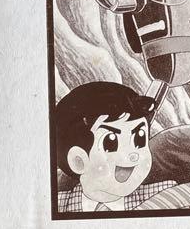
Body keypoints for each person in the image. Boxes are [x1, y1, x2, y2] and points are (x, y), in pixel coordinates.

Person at [54, 81, 179, 212]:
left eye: (139, 139)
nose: (132, 154)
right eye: (110, 143)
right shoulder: (57, 206)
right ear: (78, 161)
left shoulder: (166, 197)